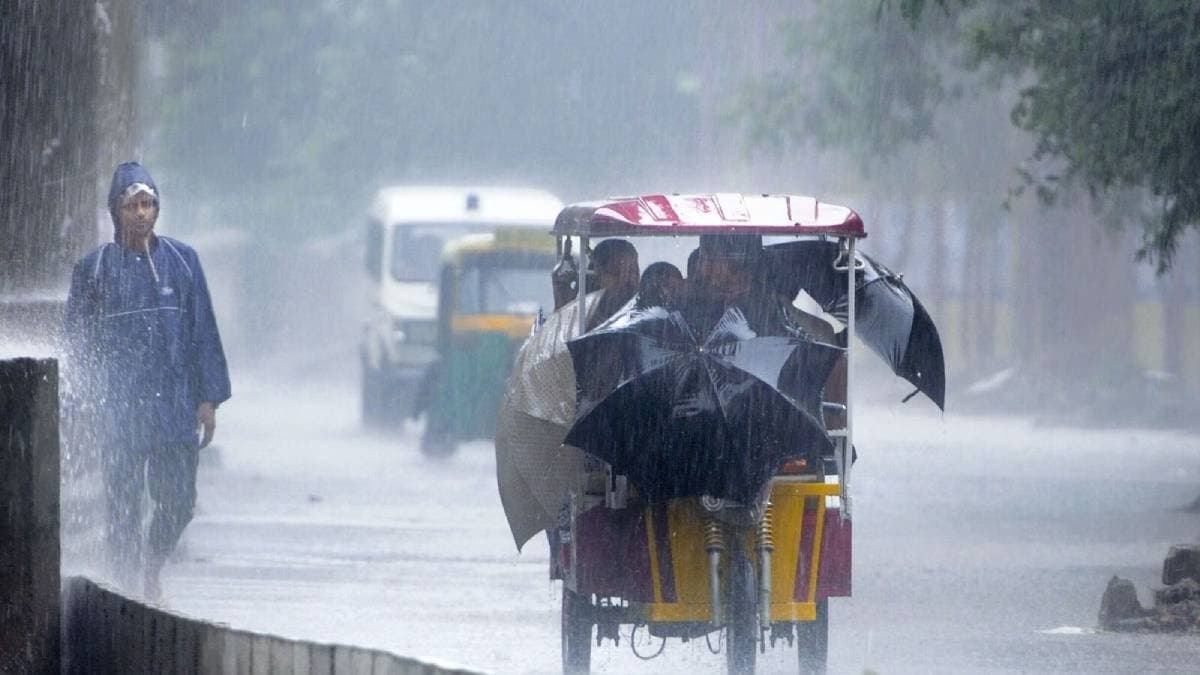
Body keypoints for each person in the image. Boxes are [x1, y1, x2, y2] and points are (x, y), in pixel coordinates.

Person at [64, 162, 231, 601]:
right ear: (115, 211)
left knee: (178, 502)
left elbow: (202, 331)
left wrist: (208, 398)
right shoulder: (93, 270)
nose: (141, 214)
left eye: (148, 204)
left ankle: (152, 568)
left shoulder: (182, 262)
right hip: (119, 410)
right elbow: (77, 343)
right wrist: (83, 402)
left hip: (174, 406)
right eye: (132, 206)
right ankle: (126, 591)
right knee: (122, 508)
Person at [585, 238, 639, 330]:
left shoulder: (645, 310)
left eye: (633, 271)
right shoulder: (583, 313)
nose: (627, 278)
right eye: (617, 273)